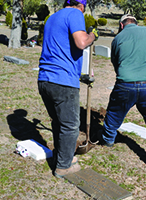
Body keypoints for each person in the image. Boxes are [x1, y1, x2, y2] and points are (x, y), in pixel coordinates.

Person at [99, 14, 146, 168]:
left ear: (121, 25)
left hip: (125, 84)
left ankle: (108, 140)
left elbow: (116, 63)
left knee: (114, 113)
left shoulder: (117, 39)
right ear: (136, 23)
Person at [37, 0, 98, 178]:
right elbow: (81, 42)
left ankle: (61, 156)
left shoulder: (52, 17)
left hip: (45, 79)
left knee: (59, 122)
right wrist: (93, 35)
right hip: (63, 82)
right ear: (82, 6)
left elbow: (62, 47)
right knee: (71, 126)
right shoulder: (75, 14)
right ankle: (64, 166)